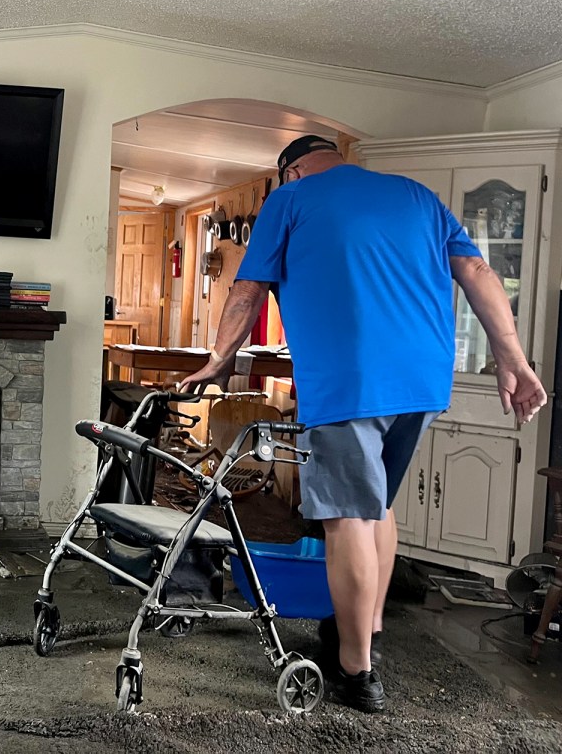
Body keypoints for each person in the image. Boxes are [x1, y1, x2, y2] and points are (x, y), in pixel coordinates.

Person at [179, 135, 547, 713]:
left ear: (292, 170)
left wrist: (220, 358)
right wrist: (514, 359)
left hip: (351, 378)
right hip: (423, 378)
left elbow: (248, 287)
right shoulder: (417, 196)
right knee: (376, 503)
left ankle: (357, 671)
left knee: (346, 517)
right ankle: (366, 626)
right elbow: (477, 269)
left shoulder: (290, 200)